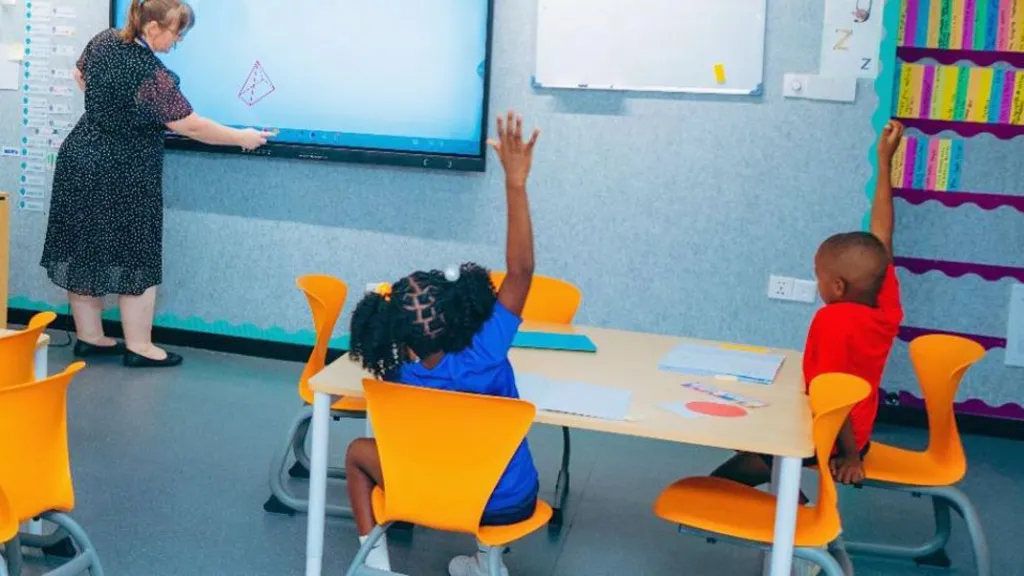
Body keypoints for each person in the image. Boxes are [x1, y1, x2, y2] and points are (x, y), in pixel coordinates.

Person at [344, 110, 541, 576]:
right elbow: (521, 271)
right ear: (460, 310)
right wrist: (515, 183)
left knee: (357, 453)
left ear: (400, 338)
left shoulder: (398, 370)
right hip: (509, 501)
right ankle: (485, 561)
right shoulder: (488, 348)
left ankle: (375, 568)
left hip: (428, 495)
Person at [40, 0, 275, 368]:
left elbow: (79, 75)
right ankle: (140, 347)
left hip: (81, 156)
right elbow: (190, 125)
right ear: (152, 27)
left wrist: (111, 110)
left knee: (84, 248)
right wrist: (241, 137)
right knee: (138, 253)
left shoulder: (104, 40)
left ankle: (90, 338)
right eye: (176, 34)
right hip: (122, 170)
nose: (177, 42)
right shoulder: (149, 72)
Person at [711, 120, 906, 491]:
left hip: (830, 437)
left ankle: (794, 514)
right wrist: (884, 160)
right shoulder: (885, 305)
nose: (817, 283)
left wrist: (850, 456)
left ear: (837, 286)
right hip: (849, 431)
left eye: (818, 276)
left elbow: (834, 395)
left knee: (721, 479)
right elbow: (882, 234)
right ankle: (788, 503)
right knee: (749, 433)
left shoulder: (832, 321)